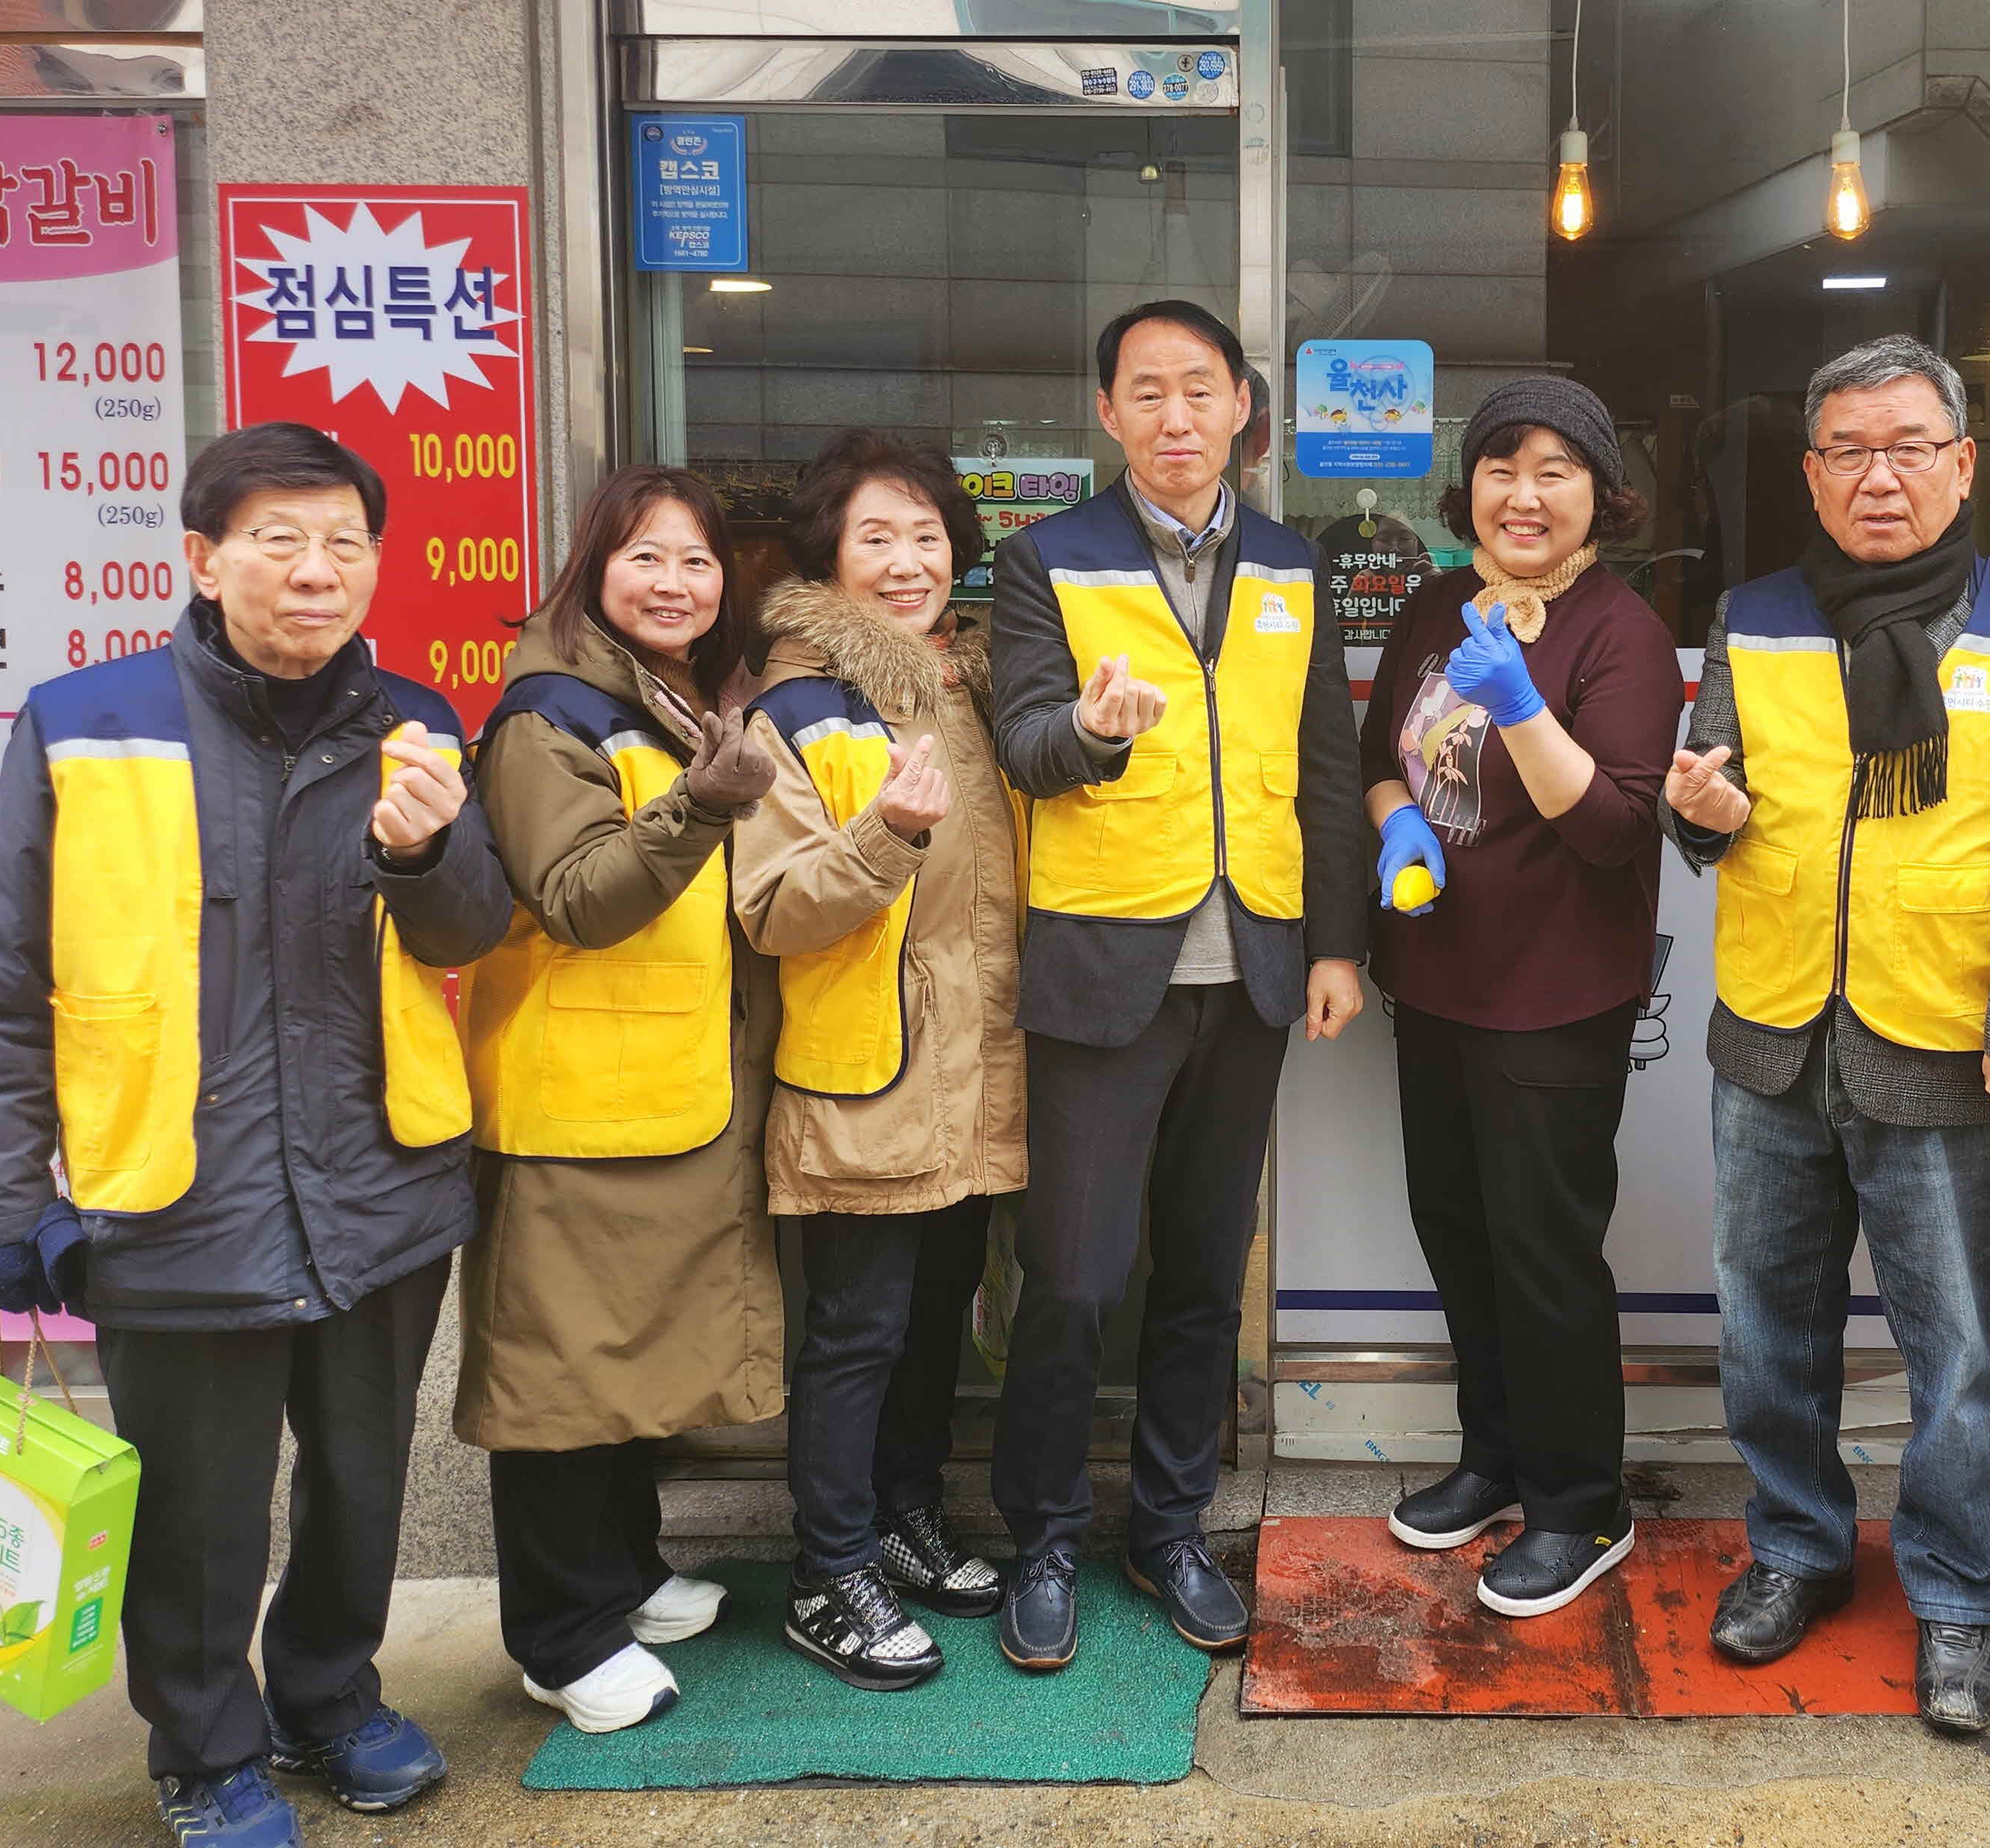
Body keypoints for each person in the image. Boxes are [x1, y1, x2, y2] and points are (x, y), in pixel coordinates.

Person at [0, 423, 512, 1848]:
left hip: (379, 1179)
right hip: (170, 1190)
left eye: (343, 545)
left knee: (362, 1481)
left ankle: (330, 1698)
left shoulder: (420, 717)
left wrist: (427, 854)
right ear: (202, 558)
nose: (315, 574)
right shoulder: (87, 720)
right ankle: (204, 1752)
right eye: (279, 541)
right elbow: (5, 978)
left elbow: (474, 928)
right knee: (197, 1511)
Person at [1659, 335, 1990, 1732]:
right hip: (1773, 1036)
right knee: (1763, 1332)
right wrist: (1695, 817)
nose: (1879, 476)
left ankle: (1960, 1594)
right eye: (1847, 450)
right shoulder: (1754, 613)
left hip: (1942, 1038)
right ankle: (1795, 1549)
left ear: (1963, 463)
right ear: (1808, 474)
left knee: (1958, 1347)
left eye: (1908, 446)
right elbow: (1701, 804)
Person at [985, 299, 1369, 1671]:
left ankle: (1168, 1527)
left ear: (1243, 408)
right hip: (1103, 969)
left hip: (1252, 964)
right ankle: (1040, 1533)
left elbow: (1327, 765)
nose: (1174, 419)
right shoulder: (1046, 562)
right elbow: (1024, 743)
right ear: (1107, 414)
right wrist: (1087, 731)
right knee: (1077, 1277)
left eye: (1198, 391)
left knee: (1206, 1273)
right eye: (1145, 393)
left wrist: (1335, 944)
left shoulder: (1291, 565)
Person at [454, 466, 784, 1735]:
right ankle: (558, 1635)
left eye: (696, 562)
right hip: (573, 1093)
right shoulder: (550, 715)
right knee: (559, 1382)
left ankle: (627, 1575)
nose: (675, 583)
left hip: (661, 1084)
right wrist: (702, 803)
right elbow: (579, 897)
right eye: (646, 558)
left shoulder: (659, 696)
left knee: (623, 1363)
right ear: (594, 566)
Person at [1364, 378, 1684, 1616]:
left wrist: (1524, 709)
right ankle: (1493, 1457)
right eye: (1503, 466)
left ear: (1601, 494)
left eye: (1557, 468)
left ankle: (1578, 1502)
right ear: (1470, 491)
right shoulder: (1440, 604)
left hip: (1553, 997)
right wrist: (1400, 832)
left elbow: (1612, 829)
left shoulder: (1621, 632)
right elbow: (1371, 760)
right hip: (1433, 978)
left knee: (1544, 1255)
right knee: (1458, 1235)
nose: (1524, 493)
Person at [734, 433, 1027, 1687]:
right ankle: (827, 1568)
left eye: (925, 537)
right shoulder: (792, 708)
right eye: (876, 539)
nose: (908, 564)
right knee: (854, 1329)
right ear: (828, 561)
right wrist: (888, 834)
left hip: (974, 1068)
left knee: (930, 1321)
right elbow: (776, 907)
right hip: (870, 1069)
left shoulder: (968, 685)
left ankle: (904, 1514)